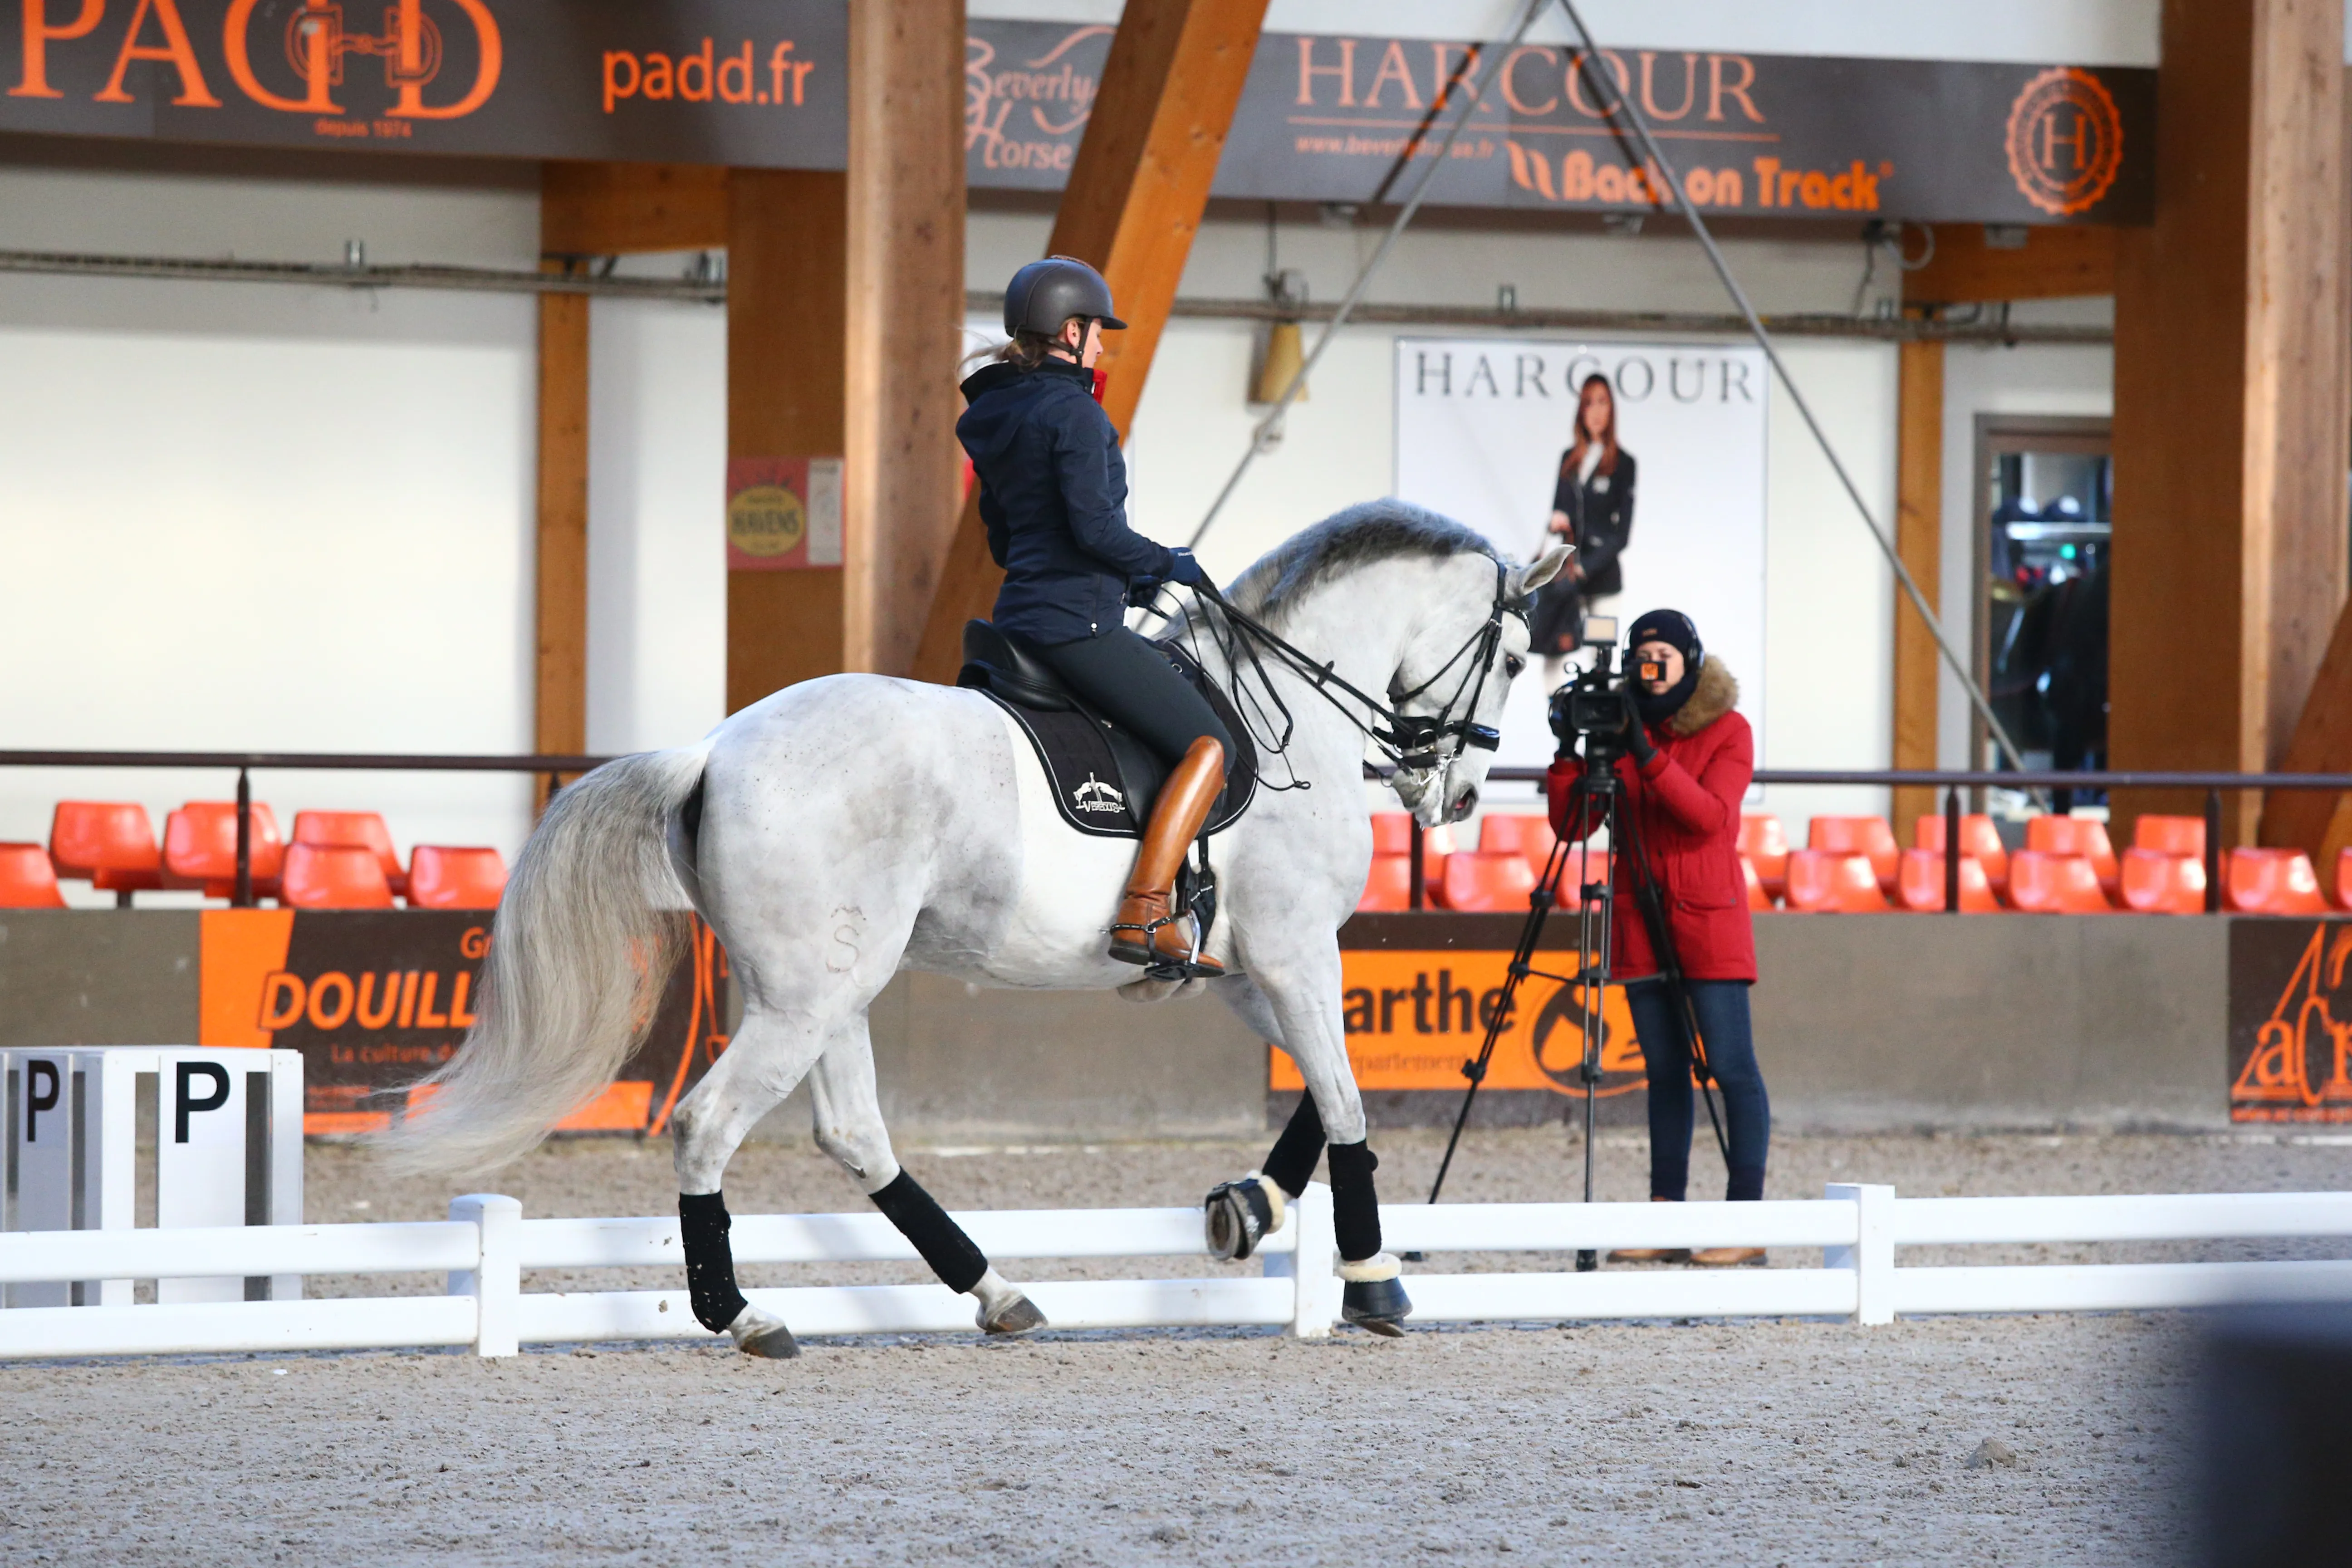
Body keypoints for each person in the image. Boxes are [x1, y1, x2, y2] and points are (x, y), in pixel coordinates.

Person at [956, 255, 1235, 975]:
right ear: (1070, 331)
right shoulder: (1076, 414)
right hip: (1073, 626)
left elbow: (1008, 539)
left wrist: (1119, 579)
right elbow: (1094, 531)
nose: (1103, 346)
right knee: (1209, 744)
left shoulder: (997, 413)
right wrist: (1162, 563)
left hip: (1020, 616)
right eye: (1096, 333)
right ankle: (1146, 907)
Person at [1546, 609, 1769, 1265]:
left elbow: (1709, 818)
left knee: (1732, 1069)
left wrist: (1645, 752)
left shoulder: (1729, 731)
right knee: (1665, 1072)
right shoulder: (1619, 730)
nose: (1649, 666)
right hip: (1639, 918)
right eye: (1641, 655)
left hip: (1708, 919)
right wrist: (1570, 754)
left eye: (1661, 656)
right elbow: (1573, 827)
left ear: (1689, 660)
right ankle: (1666, 1213)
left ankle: (1747, 1222)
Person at [1529, 373, 1638, 686]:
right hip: (1566, 580)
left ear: (1612, 409)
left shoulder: (1624, 464)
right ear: (1581, 410)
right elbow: (1558, 508)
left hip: (1602, 579)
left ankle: (1601, 725)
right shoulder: (1569, 459)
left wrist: (1586, 568)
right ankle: (1560, 724)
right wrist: (1556, 521)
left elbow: (1623, 535)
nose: (1596, 411)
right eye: (1589, 403)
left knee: (1601, 655)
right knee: (1555, 650)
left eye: (1602, 402)